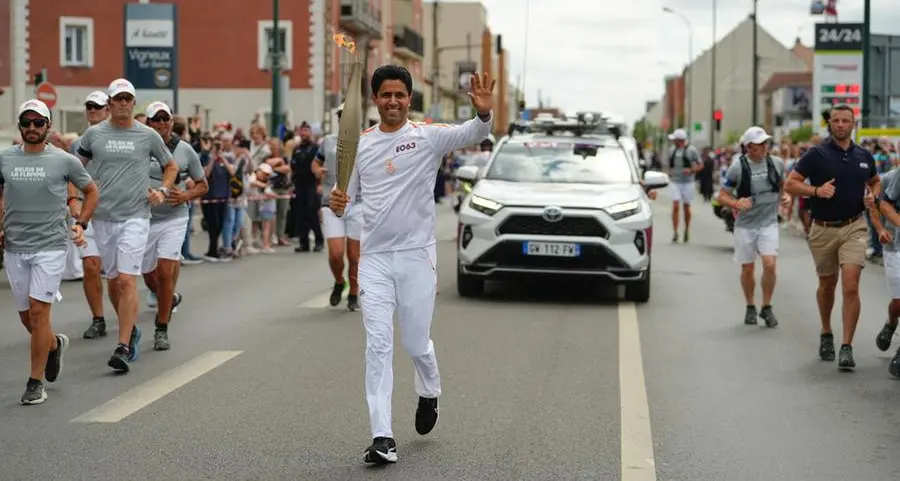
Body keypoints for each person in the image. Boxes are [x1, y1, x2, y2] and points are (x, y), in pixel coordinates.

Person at [330, 65, 495, 464]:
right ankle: (382, 435)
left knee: (415, 343)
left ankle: (429, 390)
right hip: (375, 260)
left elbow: (473, 133)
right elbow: (343, 197)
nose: (392, 101)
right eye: (385, 95)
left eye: (399, 95)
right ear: (375, 99)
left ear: (408, 99)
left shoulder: (427, 137)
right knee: (378, 345)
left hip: (417, 256)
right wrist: (336, 202)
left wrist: (484, 114)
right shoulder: (358, 146)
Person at [75, 78, 179, 373]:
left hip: (135, 216)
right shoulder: (93, 134)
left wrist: (164, 190)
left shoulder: (147, 135)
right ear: (109, 104)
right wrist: (73, 199)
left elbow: (170, 165)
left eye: (127, 99)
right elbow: (74, 167)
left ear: (133, 103)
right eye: (117, 99)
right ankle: (129, 328)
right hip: (103, 217)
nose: (122, 104)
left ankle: (122, 346)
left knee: (125, 279)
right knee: (113, 281)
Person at [2, 99, 99, 404]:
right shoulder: (5, 159)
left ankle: (35, 381)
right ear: (20, 126)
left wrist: (81, 222)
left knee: (38, 310)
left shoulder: (63, 160)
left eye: (38, 122)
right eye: (27, 123)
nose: (32, 128)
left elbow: (91, 190)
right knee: (26, 317)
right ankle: (54, 345)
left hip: (50, 246)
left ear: (48, 126)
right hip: (15, 246)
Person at [784, 104, 882, 370]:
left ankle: (846, 346)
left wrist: (872, 195)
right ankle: (826, 331)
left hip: (854, 226)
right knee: (827, 285)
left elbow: (874, 180)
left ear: (853, 124)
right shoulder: (816, 154)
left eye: (845, 120)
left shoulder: (864, 155)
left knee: (851, 284)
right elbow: (790, 183)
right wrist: (816, 191)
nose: (840, 124)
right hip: (823, 228)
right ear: (830, 124)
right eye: (836, 120)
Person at [142, 101, 208, 351]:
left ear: (171, 121)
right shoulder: (139, 147)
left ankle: (161, 329)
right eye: (155, 119)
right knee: (148, 276)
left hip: (174, 217)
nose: (160, 124)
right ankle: (168, 299)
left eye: (164, 119)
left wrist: (185, 196)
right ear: (148, 123)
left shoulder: (185, 150)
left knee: (165, 271)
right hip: (143, 218)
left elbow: (203, 184)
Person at [718, 127, 790, 327]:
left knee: (769, 264)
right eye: (760, 144)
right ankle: (750, 305)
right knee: (748, 268)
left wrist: (786, 196)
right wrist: (735, 203)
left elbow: (784, 185)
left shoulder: (776, 163)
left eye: (766, 143)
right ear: (749, 147)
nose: (765, 147)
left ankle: (766, 307)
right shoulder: (737, 167)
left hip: (768, 222)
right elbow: (722, 195)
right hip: (746, 225)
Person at [69, 91, 111, 340]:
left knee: (120, 275)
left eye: (98, 106)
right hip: (90, 211)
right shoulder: (78, 143)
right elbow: (70, 175)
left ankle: (160, 296)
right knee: (91, 265)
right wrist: (73, 200)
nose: (93, 110)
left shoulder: (121, 138)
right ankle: (98, 318)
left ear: (108, 109)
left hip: (119, 212)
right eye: (89, 106)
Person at [314, 104, 362, 310]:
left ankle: (353, 293)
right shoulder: (328, 142)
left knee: (354, 256)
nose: (345, 119)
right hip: (330, 202)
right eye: (342, 116)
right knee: (335, 253)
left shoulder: (367, 141)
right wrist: (317, 170)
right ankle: (339, 281)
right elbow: (315, 163)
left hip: (359, 203)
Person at [876, 167, 900, 376]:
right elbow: (880, 206)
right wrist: (880, 229)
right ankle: (891, 322)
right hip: (895, 246)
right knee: (899, 302)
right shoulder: (891, 178)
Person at [665, 129, 702, 243]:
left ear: (680, 140)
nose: (674, 141)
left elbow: (700, 165)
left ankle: (686, 229)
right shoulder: (672, 150)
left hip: (688, 181)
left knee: (686, 206)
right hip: (675, 181)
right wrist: (669, 172)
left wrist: (691, 170)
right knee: (675, 205)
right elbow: (669, 165)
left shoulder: (692, 150)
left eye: (675, 140)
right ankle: (675, 232)